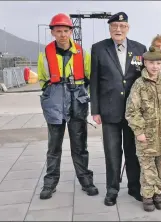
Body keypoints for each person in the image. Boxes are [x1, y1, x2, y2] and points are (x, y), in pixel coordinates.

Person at [37, 13, 98, 200]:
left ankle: (85, 180)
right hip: (55, 105)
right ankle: (50, 183)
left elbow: (89, 77)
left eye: (66, 30)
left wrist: (77, 94)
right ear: (52, 33)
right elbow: (42, 80)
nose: (62, 34)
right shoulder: (45, 55)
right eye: (58, 31)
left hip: (76, 105)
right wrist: (54, 95)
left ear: (71, 31)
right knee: (53, 147)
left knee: (80, 146)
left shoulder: (82, 53)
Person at [90, 12, 147, 206]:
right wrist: (95, 110)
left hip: (133, 112)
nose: (118, 30)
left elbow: (144, 79)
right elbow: (94, 81)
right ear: (110, 29)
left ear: (128, 28)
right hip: (109, 110)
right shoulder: (99, 49)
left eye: (122, 27)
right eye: (115, 26)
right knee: (112, 152)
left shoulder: (140, 49)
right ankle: (112, 190)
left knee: (132, 152)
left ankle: (134, 188)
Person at [125, 46, 161, 212]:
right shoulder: (139, 84)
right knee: (148, 169)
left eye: (158, 63)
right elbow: (131, 111)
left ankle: (158, 194)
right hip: (147, 137)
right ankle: (147, 196)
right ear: (145, 63)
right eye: (151, 63)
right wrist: (139, 131)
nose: (155, 66)